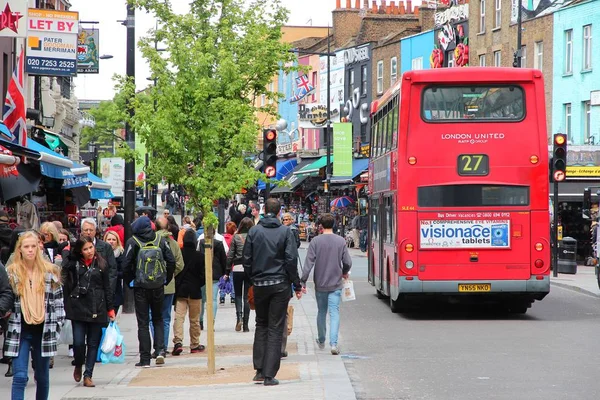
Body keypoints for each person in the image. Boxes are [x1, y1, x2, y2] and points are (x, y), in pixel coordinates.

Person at [242, 198, 302, 386]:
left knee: (261, 324)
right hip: (279, 284)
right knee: (275, 327)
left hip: (260, 284)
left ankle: (259, 369)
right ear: (278, 213)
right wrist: (296, 284)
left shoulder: (254, 231)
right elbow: (291, 260)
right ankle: (269, 374)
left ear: (263, 210)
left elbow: (246, 259)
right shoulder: (285, 232)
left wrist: (253, 278)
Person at [4, 231, 64, 399]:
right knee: (20, 376)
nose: (30, 250)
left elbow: (59, 302)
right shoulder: (11, 273)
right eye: (26, 247)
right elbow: (6, 298)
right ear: (20, 250)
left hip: (43, 329)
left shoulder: (50, 272)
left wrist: (58, 325)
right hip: (20, 330)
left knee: (42, 377)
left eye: (33, 246)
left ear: (39, 248)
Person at [62, 237, 115, 387]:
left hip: (97, 306)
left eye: (91, 247)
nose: (89, 251)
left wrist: (110, 309)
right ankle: (79, 363)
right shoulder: (75, 263)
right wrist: (68, 252)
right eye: (85, 249)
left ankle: (88, 374)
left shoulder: (101, 263)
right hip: (78, 306)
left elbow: (107, 287)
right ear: (80, 251)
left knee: (93, 343)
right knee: (78, 343)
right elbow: (64, 269)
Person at [123, 216, 176, 368]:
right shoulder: (160, 240)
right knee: (158, 319)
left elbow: (126, 265)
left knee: (143, 323)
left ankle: (145, 359)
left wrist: (130, 282)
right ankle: (160, 351)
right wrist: (166, 278)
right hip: (158, 286)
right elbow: (171, 261)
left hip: (140, 287)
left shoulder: (133, 242)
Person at [301, 213, 352, 355]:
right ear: (334, 225)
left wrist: (303, 281)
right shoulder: (340, 241)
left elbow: (308, 263)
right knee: (334, 312)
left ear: (321, 226)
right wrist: (344, 272)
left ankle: (322, 339)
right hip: (335, 282)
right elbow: (347, 262)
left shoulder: (315, 242)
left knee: (321, 311)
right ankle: (334, 344)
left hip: (320, 282)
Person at [153, 217, 184, 356]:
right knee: (165, 318)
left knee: (152, 316)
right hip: (169, 285)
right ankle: (163, 347)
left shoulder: (150, 242)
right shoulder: (173, 244)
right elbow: (180, 265)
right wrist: (169, 275)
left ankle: (156, 346)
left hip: (152, 284)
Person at [172, 230, 205, 355]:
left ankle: (178, 341)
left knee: (179, 318)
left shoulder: (180, 254)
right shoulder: (200, 256)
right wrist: (198, 284)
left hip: (181, 291)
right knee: (194, 319)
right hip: (195, 291)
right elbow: (203, 276)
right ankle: (195, 344)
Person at [226, 218, 253, 332]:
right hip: (250, 269)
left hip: (237, 268)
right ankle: (246, 324)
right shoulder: (253, 237)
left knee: (237, 294)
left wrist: (227, 271)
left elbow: (230, 255)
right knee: (246, 296)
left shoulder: (236, 237)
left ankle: (239, 319)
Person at [198, 230, 227, 327]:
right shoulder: (219, 243)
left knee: (202, 299)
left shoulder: (201, 242)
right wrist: (225, 273)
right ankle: (211, 321)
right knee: (213, 299)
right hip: (216, 273)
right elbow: (223, 259)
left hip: (202, 273)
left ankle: (200, 320)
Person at [103, 231, 125, 315]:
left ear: (117, 241)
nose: (111, 241)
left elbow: (123, 273)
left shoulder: (121, 254)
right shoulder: (100, 254)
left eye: (113, 239)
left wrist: (112, 273)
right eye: (109, 239)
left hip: (116, 291)